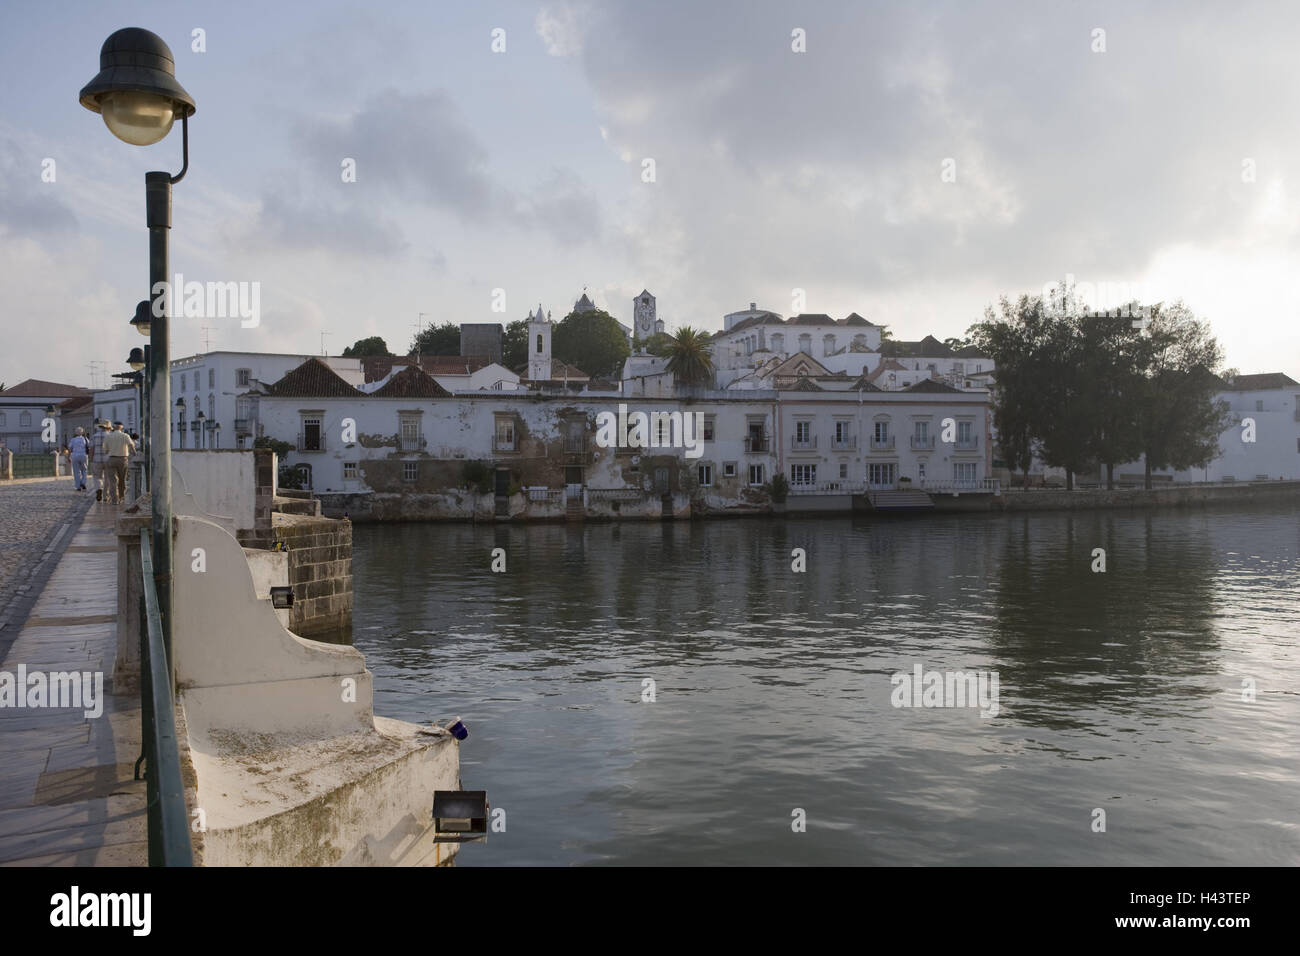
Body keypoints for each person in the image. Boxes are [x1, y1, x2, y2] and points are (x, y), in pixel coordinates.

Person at [103, 421, 136, 505]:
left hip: (111, 459)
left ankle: (114, 500)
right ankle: (121, 497)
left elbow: (105, 450)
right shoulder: (125, 436)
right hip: (123, 459)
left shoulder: (108, 436)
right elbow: (131, 446)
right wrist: (135, 454)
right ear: (121, 427)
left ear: (113, 427)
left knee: (113, 481)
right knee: (122, 479)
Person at [90, 419, 110, 501]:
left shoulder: (94, 436)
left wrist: (91, 460)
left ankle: (98, 489)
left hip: (96, 459)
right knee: (107, 477)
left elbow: (91, 449)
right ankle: (106, 495)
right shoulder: (110, 436)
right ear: (108, 428)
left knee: (97, 476)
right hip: (108, 459)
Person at [68, 427, 89, 491]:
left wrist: (69, 456)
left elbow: (70, 448)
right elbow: (89, 447)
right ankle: (83, 482)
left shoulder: (73, 440)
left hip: (75, 456)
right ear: (82, 432)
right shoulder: (85, 439)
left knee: (76, 471)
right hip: (83, 455)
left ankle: (78, 486)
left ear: (76, 433)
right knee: (84, 470)